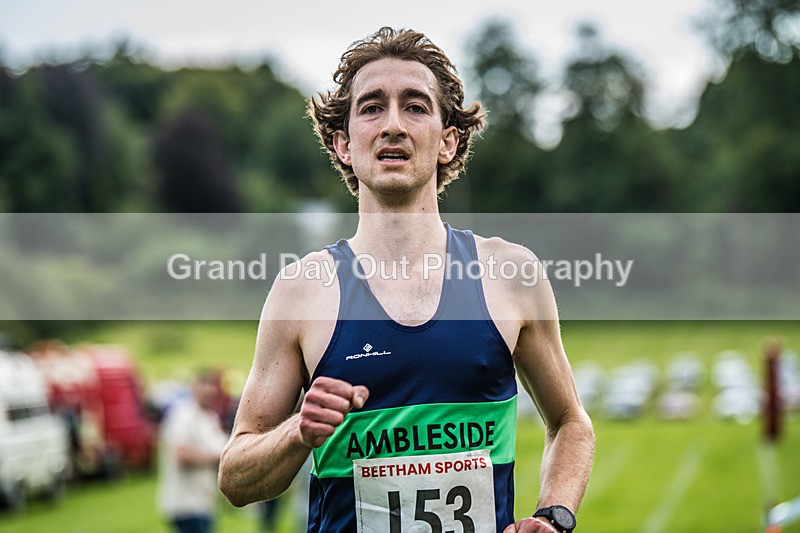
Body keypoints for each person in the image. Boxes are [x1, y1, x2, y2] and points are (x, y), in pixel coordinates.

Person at [219, 27, 594, 533]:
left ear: (447, 141)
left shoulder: (511, 275)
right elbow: (236, 477)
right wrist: (296, 435)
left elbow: (570, 422)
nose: (393, 124)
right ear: (344, 144)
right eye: (372, 107)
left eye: (415, 106)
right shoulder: (301, 289)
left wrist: (554, 515)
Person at [158, 371, 229, 533]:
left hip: (205, 501)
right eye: (205, 391)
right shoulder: (183, 416)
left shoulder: (210, 418)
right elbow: (181, 455)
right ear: (194, 388)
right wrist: (216, 458)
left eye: (211, 393)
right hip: (185, 503)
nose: (209, 397)